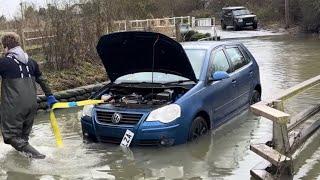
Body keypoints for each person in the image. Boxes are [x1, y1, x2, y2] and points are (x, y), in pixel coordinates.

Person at [0, 32, 58, 159]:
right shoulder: (32, 62)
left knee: (11, 137)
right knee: (23, 138)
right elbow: (42, 80)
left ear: (5, 47)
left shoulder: (3, 62)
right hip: (32, 105)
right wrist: (50, 96)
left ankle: (40, 158)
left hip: (14, 106)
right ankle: (26, 164)